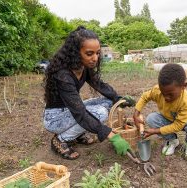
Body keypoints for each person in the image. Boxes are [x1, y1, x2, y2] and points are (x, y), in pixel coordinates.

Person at [43, 26, 135, 160]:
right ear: (75, 52)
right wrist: (110, 135)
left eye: (97, 53)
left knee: (109, 102)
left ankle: (77, 134)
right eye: (89, 53)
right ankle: (61, 139)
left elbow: (99, 85)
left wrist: (119, 99)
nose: (95, 58)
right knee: (100, 113)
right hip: (55, 118)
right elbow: (80, 113)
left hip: (70, 110)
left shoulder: (83, 67)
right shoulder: (63, 75)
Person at [133, 63, 187, 159]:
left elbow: (178, 125)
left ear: (183, 86)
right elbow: (145, 96)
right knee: (151, 119)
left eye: (170, 94)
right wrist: (136, 113)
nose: (166, 97)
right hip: (169, 120)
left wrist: (155, 131)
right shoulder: (157, 90)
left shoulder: (186, 102)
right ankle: (172, 140)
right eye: (163, 93)